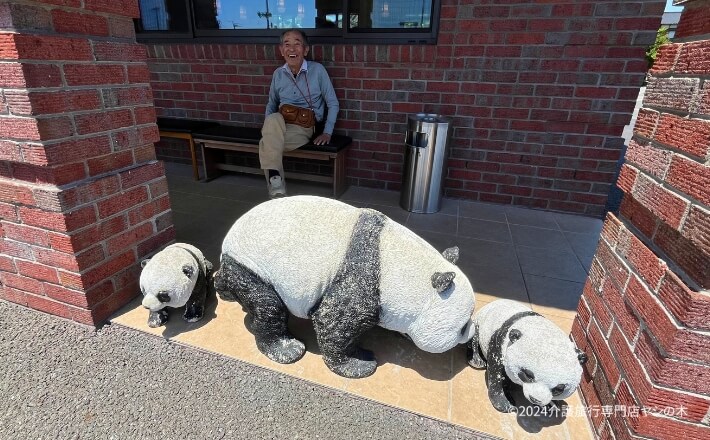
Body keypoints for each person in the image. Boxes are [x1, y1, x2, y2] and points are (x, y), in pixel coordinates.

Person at [259, 29, 339, 198]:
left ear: (306, 50)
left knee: (266, 144)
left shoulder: (317, 70)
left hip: (303, 126)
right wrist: (268, 127)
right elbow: (271, 103)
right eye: (287, 44)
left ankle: (276, 187)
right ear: (281, 50)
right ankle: (276, 184)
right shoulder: (278, 74)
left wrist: (327, 132)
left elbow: (333, 103)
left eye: (297, 44)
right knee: (272, 119)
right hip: (279, 123)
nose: (292, 49)